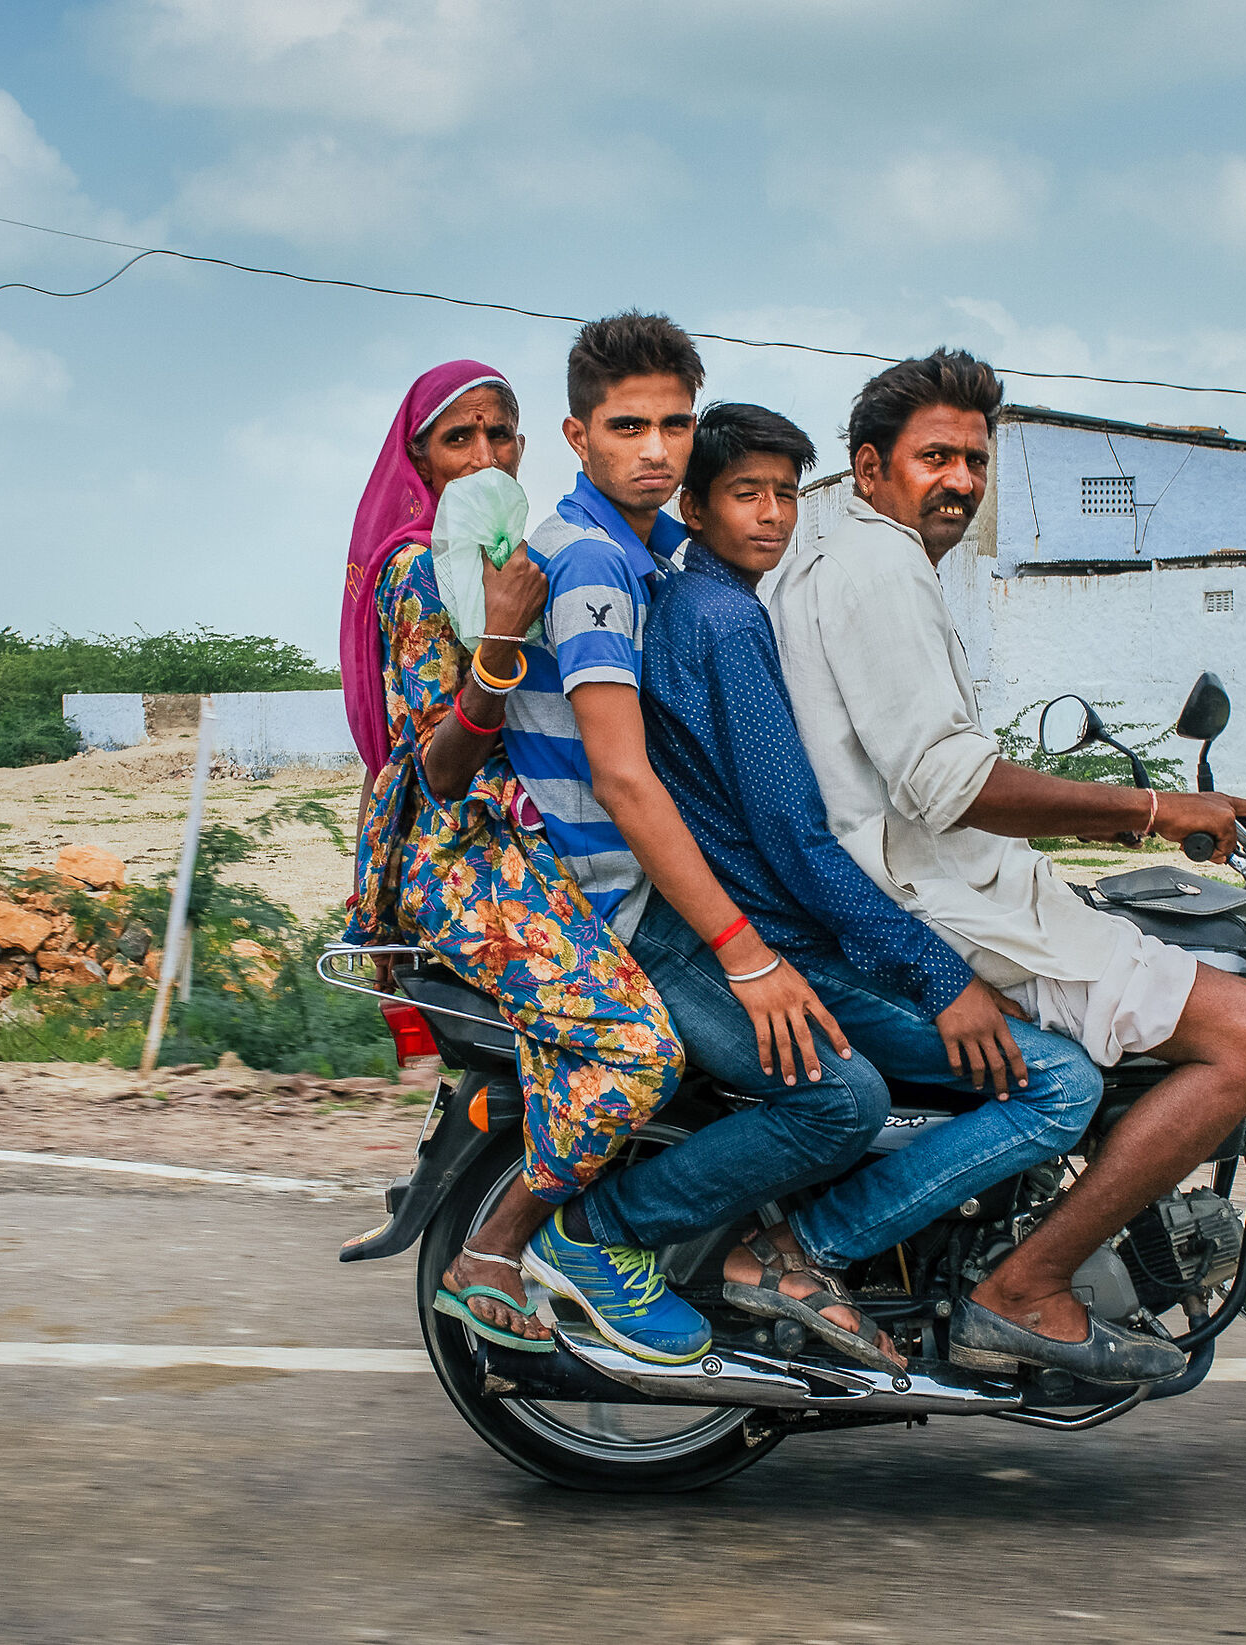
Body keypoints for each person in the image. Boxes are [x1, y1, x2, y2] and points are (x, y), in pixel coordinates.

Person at [771, 349, 1246, 1384]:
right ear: (871, 470)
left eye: (975, 458)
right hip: (939, 907)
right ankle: (1023, 1287)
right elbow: (947, 780)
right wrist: (1152, 811)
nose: (962, 478)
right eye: (936, 457)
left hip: (944, 888)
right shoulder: (876, 568)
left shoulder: (858, 562)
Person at [568, 400, 1103, 1369]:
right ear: (694, 507)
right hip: (764, 936)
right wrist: (939, 975)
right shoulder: (726, 620)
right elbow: (797, 838)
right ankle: (778, 1249)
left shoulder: (711, 602)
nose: (771, 514)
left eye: (784, 494)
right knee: (1061, 1082)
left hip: (768, 924)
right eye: (744, 493)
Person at [497, 312, 876, 1359]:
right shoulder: (589, 567)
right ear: (578, 438)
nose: (657, 451)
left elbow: (731, 551)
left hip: (639, 885)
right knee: (842, 1100)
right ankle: (597, 1242)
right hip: (621, 904)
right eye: (628, 428)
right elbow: (623, 776)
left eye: (674, 425)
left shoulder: (641, 543)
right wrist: (744, 955)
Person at [339, 359, 696, 1365]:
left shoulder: (520, 555)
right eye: (460, 440)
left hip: (524, 844)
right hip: (467, 862)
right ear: (419, 461)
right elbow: (442, 770)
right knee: (640, 1049)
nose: (486, 457)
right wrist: (497, 644)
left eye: (502, 437)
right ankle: (497, 1251)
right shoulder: (421, 571)